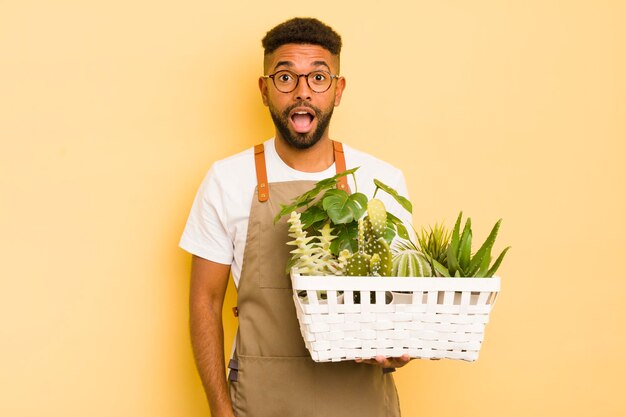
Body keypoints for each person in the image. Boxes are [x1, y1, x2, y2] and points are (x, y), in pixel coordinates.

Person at [180, 17, 412, 417]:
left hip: (361, 403)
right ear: (265, 89)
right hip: (260, 403)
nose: (302, 93)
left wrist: (397, 351)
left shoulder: (380, 180)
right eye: (285, 77)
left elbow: (404, 299)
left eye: (318, 78)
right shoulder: (227, 179)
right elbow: (205, 300)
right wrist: (220, 410)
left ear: (337, 90)